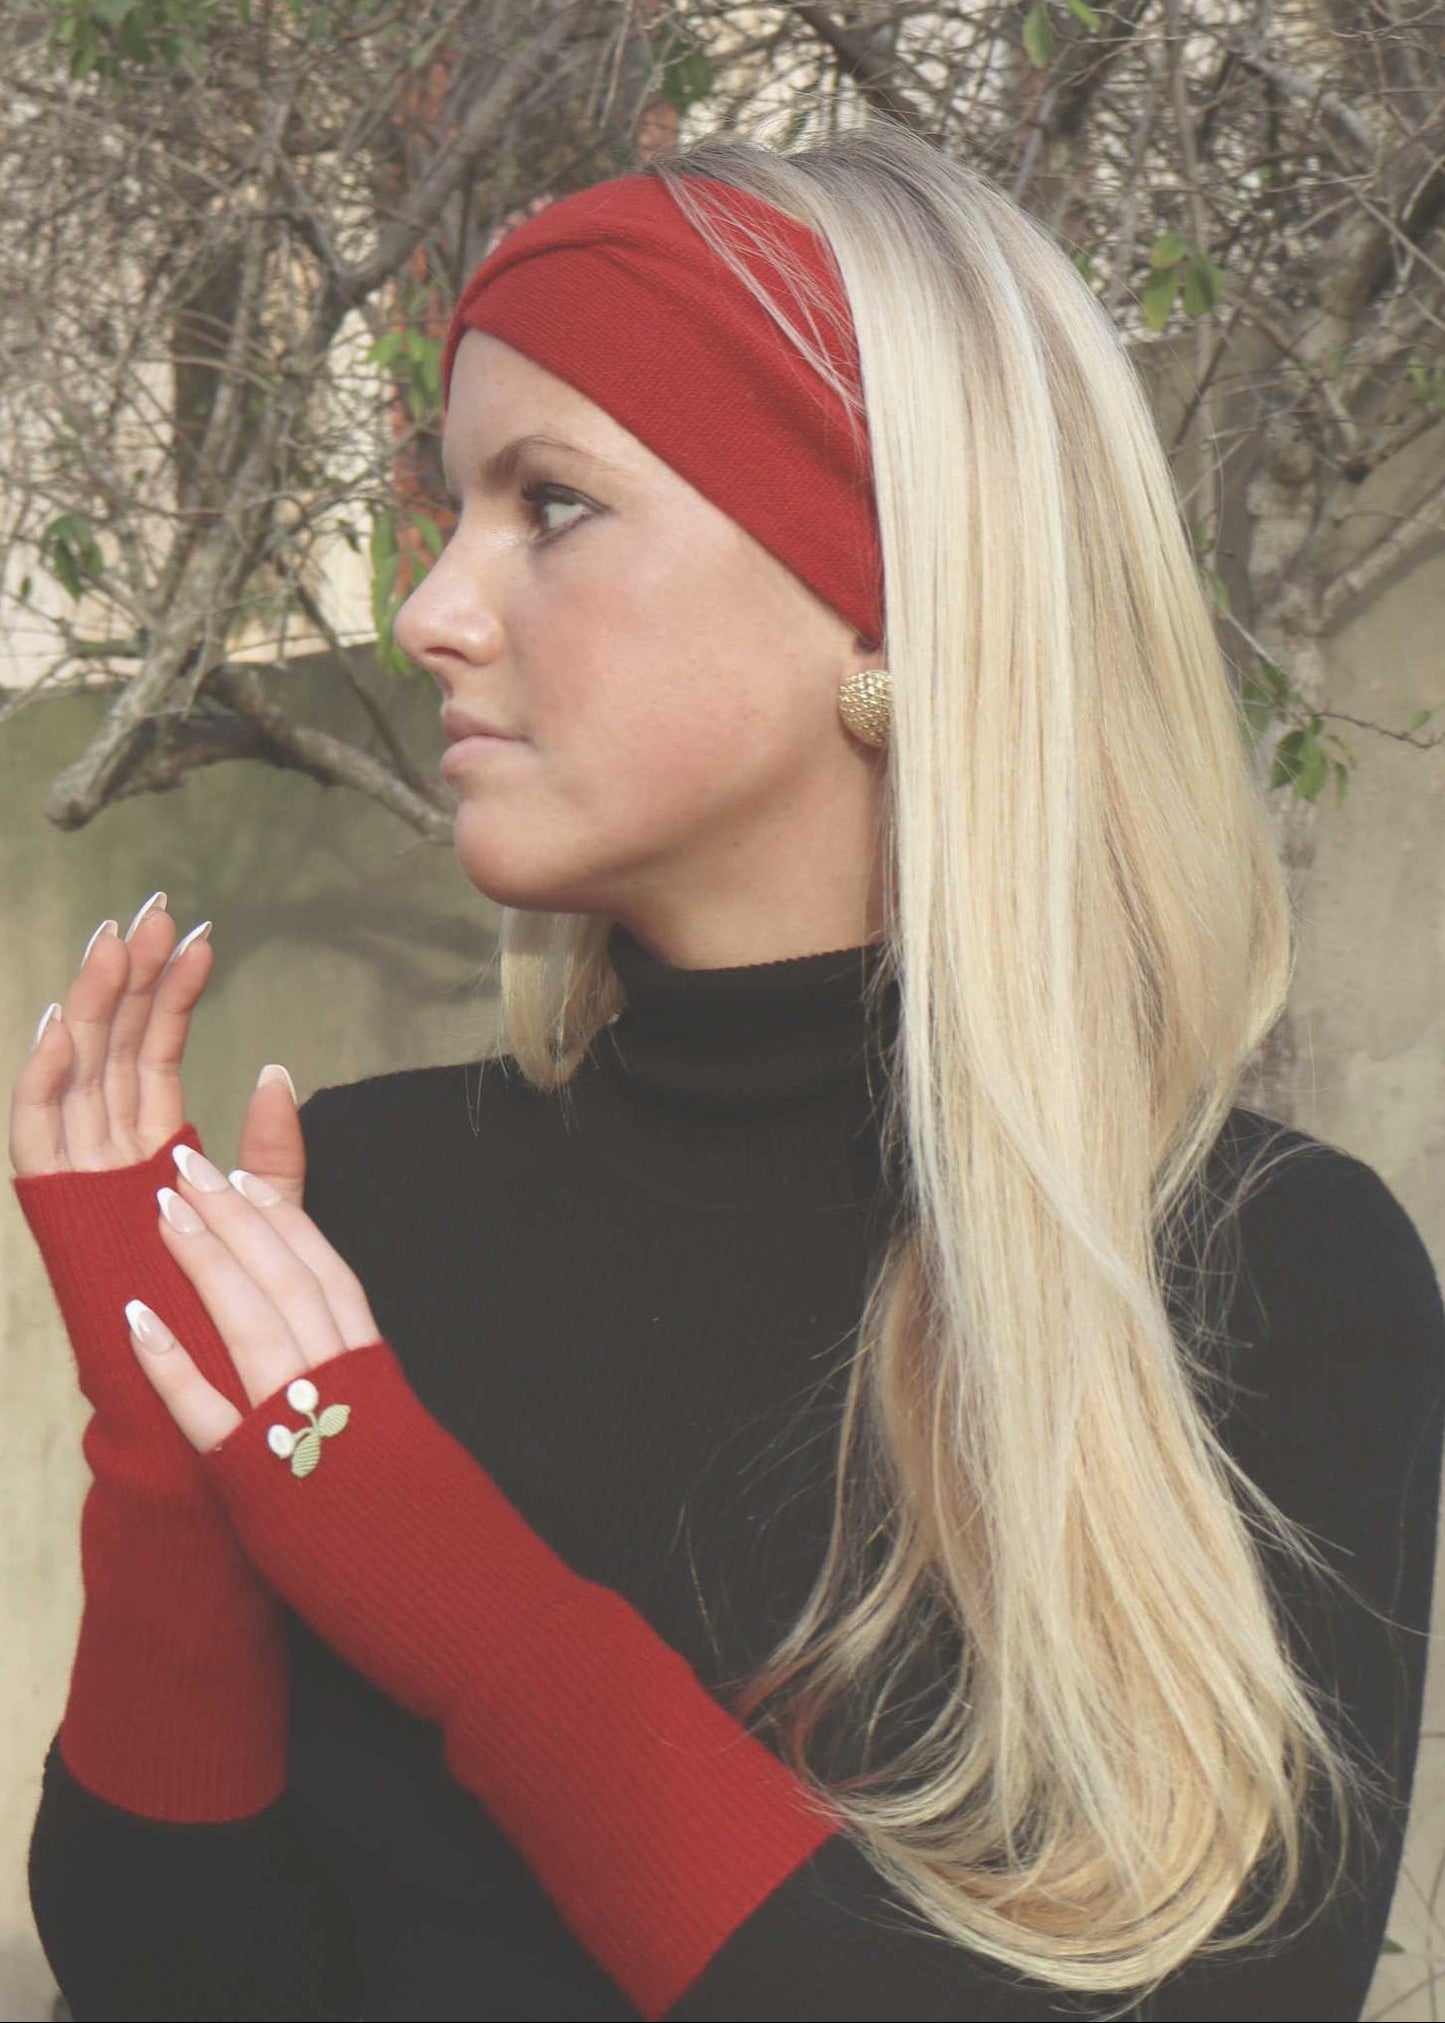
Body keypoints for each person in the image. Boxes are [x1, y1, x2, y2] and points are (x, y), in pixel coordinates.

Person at [8, 120, 1444, 2023]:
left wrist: (454, 1597)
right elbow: (176, 1978)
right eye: (449, 512)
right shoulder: (351, 1219)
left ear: (880, 593)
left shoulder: (1262, 1279)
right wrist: (165, 1460)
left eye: (555, 505)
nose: (431, 611)